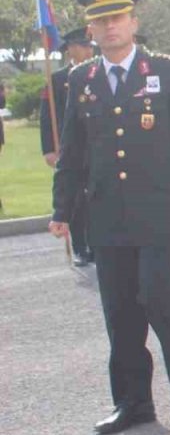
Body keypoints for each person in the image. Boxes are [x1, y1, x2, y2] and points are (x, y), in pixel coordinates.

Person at [50, 0, 170, 435]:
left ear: (134, 22)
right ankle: (133, 401)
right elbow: (73, 151)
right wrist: (62, 208)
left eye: (117, 18)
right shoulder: (81, 79)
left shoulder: (165, 71)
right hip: (107, 213)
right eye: (100, 21)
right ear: (90, 30)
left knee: (158, 296)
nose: (110, 27)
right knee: (119, 308)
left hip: (158, 207)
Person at [41, 27, 96, 265]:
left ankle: (98, 244)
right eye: (83, 46)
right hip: (73, 150)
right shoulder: (57, 79)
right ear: (71, 49)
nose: (88, 51)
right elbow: (47, 117)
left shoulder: (98, 73)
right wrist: (49, 149)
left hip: (98, 148)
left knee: (98, 198)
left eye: (90, 46)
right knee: (76, 200)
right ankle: (80, 247)